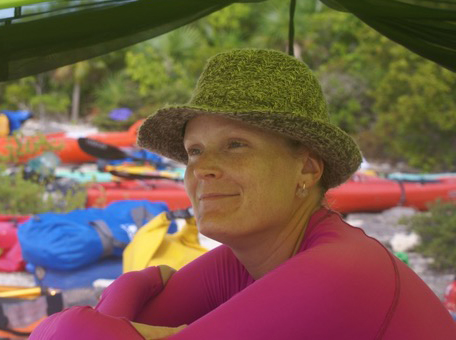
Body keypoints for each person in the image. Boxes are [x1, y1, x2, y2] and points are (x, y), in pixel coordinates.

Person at [30, 49, 456, 339]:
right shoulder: (247, 261)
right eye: (195, 151)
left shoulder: (342, 271)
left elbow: (80, 334)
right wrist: (130, 293)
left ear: (306, 168)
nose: (202, 169)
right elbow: (136, 321)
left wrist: (128, 292)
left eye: (236, 145)